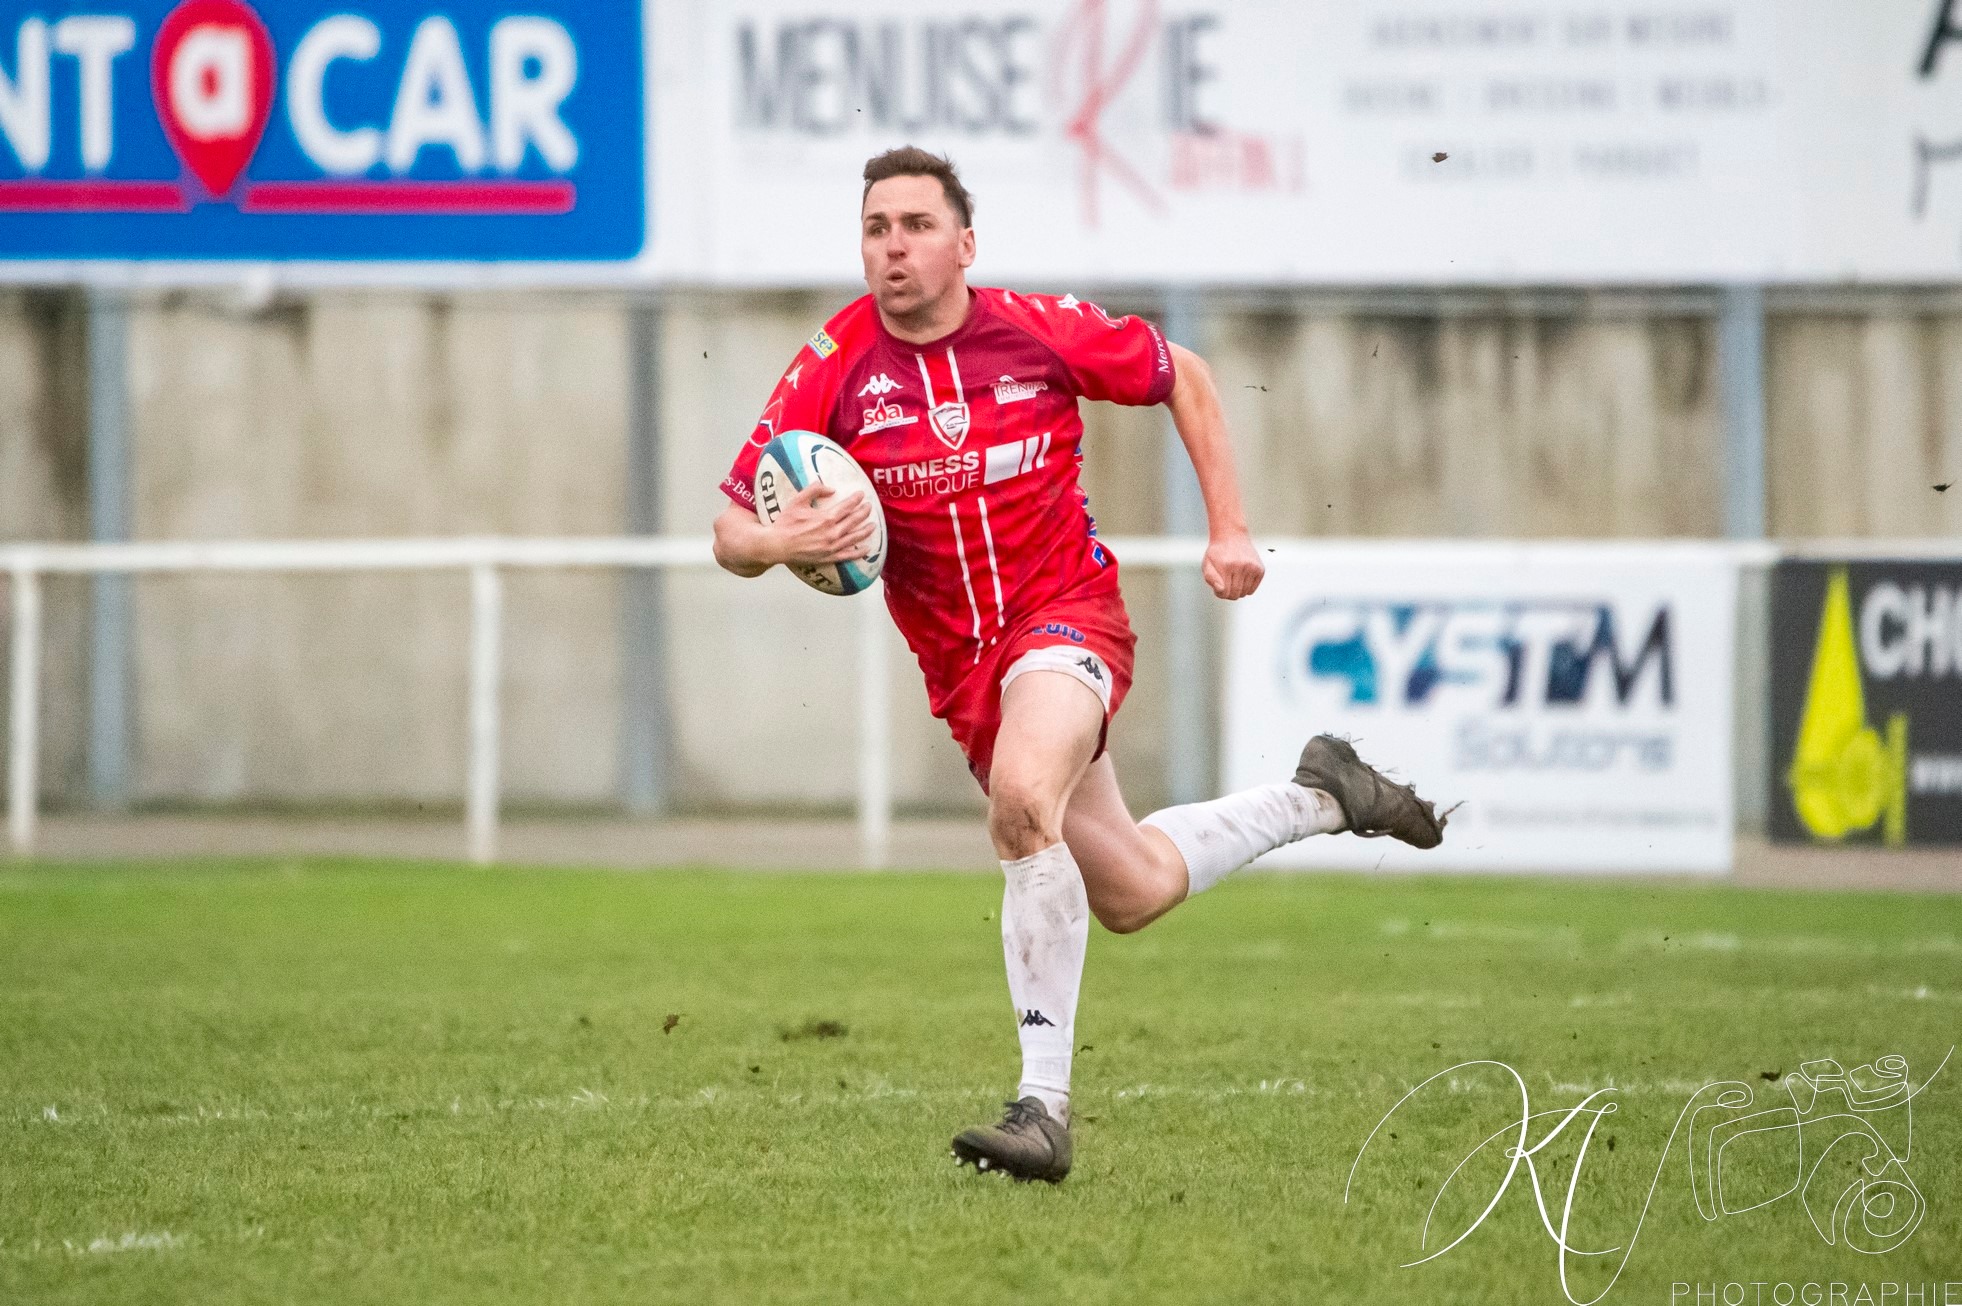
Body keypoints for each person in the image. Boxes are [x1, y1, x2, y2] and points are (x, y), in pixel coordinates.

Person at [711, 146, 1448, 1184]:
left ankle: (1043, 1110)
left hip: (1067, 619)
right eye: (877, 227)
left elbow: (1181, 373)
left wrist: (1229, 527)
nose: (894, 246)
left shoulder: (1035, 331)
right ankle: (1325, 794)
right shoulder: (834, 365)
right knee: (1134, 889)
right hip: (969, 675)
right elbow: (731, 529)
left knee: (1021, 799)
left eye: (917, 225)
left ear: (965, 244)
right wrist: (789, 541)